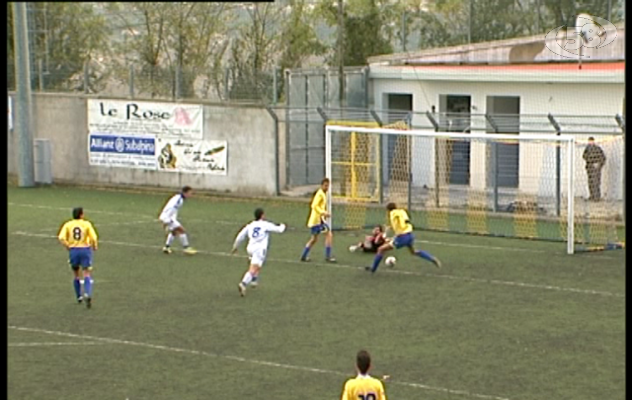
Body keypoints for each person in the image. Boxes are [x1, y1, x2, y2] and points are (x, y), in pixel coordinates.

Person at [366, 203, 442, 273]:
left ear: (388, 210)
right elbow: (405, 221)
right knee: (414, 252)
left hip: (402, 237)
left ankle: (373, 269)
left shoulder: (392, 214)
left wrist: (385, 234)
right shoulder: (402, 211)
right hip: (410, 235)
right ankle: (432, 259)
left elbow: (392, 226)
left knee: (380, 249)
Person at [231, 208, 286, 297]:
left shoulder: (250, 225)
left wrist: (235, 246)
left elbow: (240, 236)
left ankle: (254, 280)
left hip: (250, 248)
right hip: (259, 249)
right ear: (262, 215)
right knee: (254, 268)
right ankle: (243, 283)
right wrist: (283, 225)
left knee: (255, 264)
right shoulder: (265, 224)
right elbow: (279, 230)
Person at [57, 207, 99, 309]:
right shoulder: (86, 224)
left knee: (76, 273)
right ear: (81, 214)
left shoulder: (68, 224)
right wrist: (95, 246)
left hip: (74, 250)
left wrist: (67, 245)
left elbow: (61, 237)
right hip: (85, 249)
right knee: (86, 273)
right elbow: (94, 237)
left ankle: (78, 296)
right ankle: (87, 293)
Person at [300, 177, 336, 263]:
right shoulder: (319, 194)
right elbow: (314, 205)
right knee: (329, 234)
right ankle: (328, 257)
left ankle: (304, 256)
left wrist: (324, 214)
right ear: (321, 185)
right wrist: (323, 212)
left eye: (328, 186)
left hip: (318, 220)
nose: (326, 188)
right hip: (316, 221)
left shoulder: (322, 194)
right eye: (325, 186)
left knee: (314, 239)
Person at [159, 186, 197, 255]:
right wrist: (166, 221)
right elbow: (171, 209)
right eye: (190, 193)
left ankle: (167, 247)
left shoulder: (179, 198)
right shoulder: (179, 199)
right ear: (185, 193)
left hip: (169, 217)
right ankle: (186, 248)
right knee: (182, 230)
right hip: (168, 218)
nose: (191, 195)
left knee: (174, 232)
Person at [582, 137, 606, 201]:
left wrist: (598, 164)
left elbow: (603, 158)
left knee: (596, 182)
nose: (590, 143)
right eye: (589, 141)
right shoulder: (587, 149)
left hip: (596, 168)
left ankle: (596, 197)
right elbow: (584, 156)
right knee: (590, 182)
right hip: (590, 167)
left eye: (591, 141)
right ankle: (592, 195)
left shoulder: (598, 149)